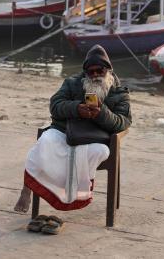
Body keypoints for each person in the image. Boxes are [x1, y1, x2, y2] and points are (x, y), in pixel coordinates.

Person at [13, 45, 131, 234]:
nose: (95, 76)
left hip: (97, 138)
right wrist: (77, 108)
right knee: (45, 142)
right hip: (66, 130)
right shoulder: (72, 82)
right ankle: (27, 189)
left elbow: (123, 122)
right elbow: (55, 105)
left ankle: (71, 195)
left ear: (108, 70)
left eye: (99, 71)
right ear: (85, 73)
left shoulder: (119, 93)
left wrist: (101, 114)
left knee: (99, 152)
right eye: (90, 72)